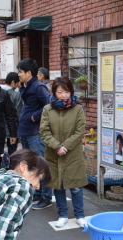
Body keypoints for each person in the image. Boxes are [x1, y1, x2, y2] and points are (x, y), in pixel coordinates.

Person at [40, 77, 87, 228]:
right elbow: (44, 131)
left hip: (72, 154)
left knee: (76, 187)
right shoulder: (48, 109)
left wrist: (64, 146)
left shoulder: (78, 108)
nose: (63, 95)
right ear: (54, 92)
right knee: (58, 186)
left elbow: (80, 131)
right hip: (54, 155)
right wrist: (56, 146)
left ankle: (80, 215)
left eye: (66, 91)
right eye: (60, 92)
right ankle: (63, 215)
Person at [16, 58, 53, 209]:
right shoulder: (27, 86)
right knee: (31, 164)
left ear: (29, 73)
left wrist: (34, 116)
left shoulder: (39, 87)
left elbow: (48, 105)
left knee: (40, 163)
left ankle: (46, 196)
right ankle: (37, 193)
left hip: (35, 132)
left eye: (20, 72)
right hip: (25, 130)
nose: (18, 74)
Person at [0, 72, 23, 154]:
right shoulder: (16, 95)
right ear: (13, 82)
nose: (19, 84)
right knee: (12, 154)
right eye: (18, 82)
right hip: (12, 129)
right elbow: (18, 113)